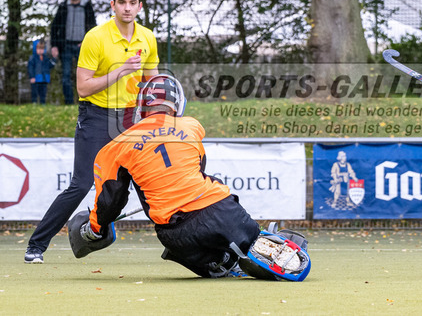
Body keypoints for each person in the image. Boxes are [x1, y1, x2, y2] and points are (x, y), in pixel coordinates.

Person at [67, 74, 310, 281]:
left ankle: (221, 263)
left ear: (141, 108)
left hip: (177, 234)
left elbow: (110, 202)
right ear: (177, 105)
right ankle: (258, 241)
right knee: (239, 222)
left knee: (188, 249)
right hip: (223, 212)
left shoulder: (115, 147)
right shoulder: (191, 127)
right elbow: (199, 168)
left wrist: (94, 229)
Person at [25, 0, 159, 264]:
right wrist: (121, 71)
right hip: (95, 116)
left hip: (129, 118)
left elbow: (153, 83)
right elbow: (83, 87)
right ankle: (36, 245)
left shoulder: (147, 37)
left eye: (132, 3)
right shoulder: (95, 37)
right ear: (113, 5)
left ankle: (180, 241)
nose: (127, 8)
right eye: (121, 3)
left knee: (148, 182)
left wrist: (160, 112)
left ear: (140, 6)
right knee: (82, 183)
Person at [50, 0, 97, 105]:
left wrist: (87, 41)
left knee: (86, 76)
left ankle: (86, 102)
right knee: (66, 76)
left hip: (83, 46)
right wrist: (54, 45)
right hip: (66, 46)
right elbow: (55, 26)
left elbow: (93, 26)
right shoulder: (63, 6)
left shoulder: (86, 6)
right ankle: (69, 103)